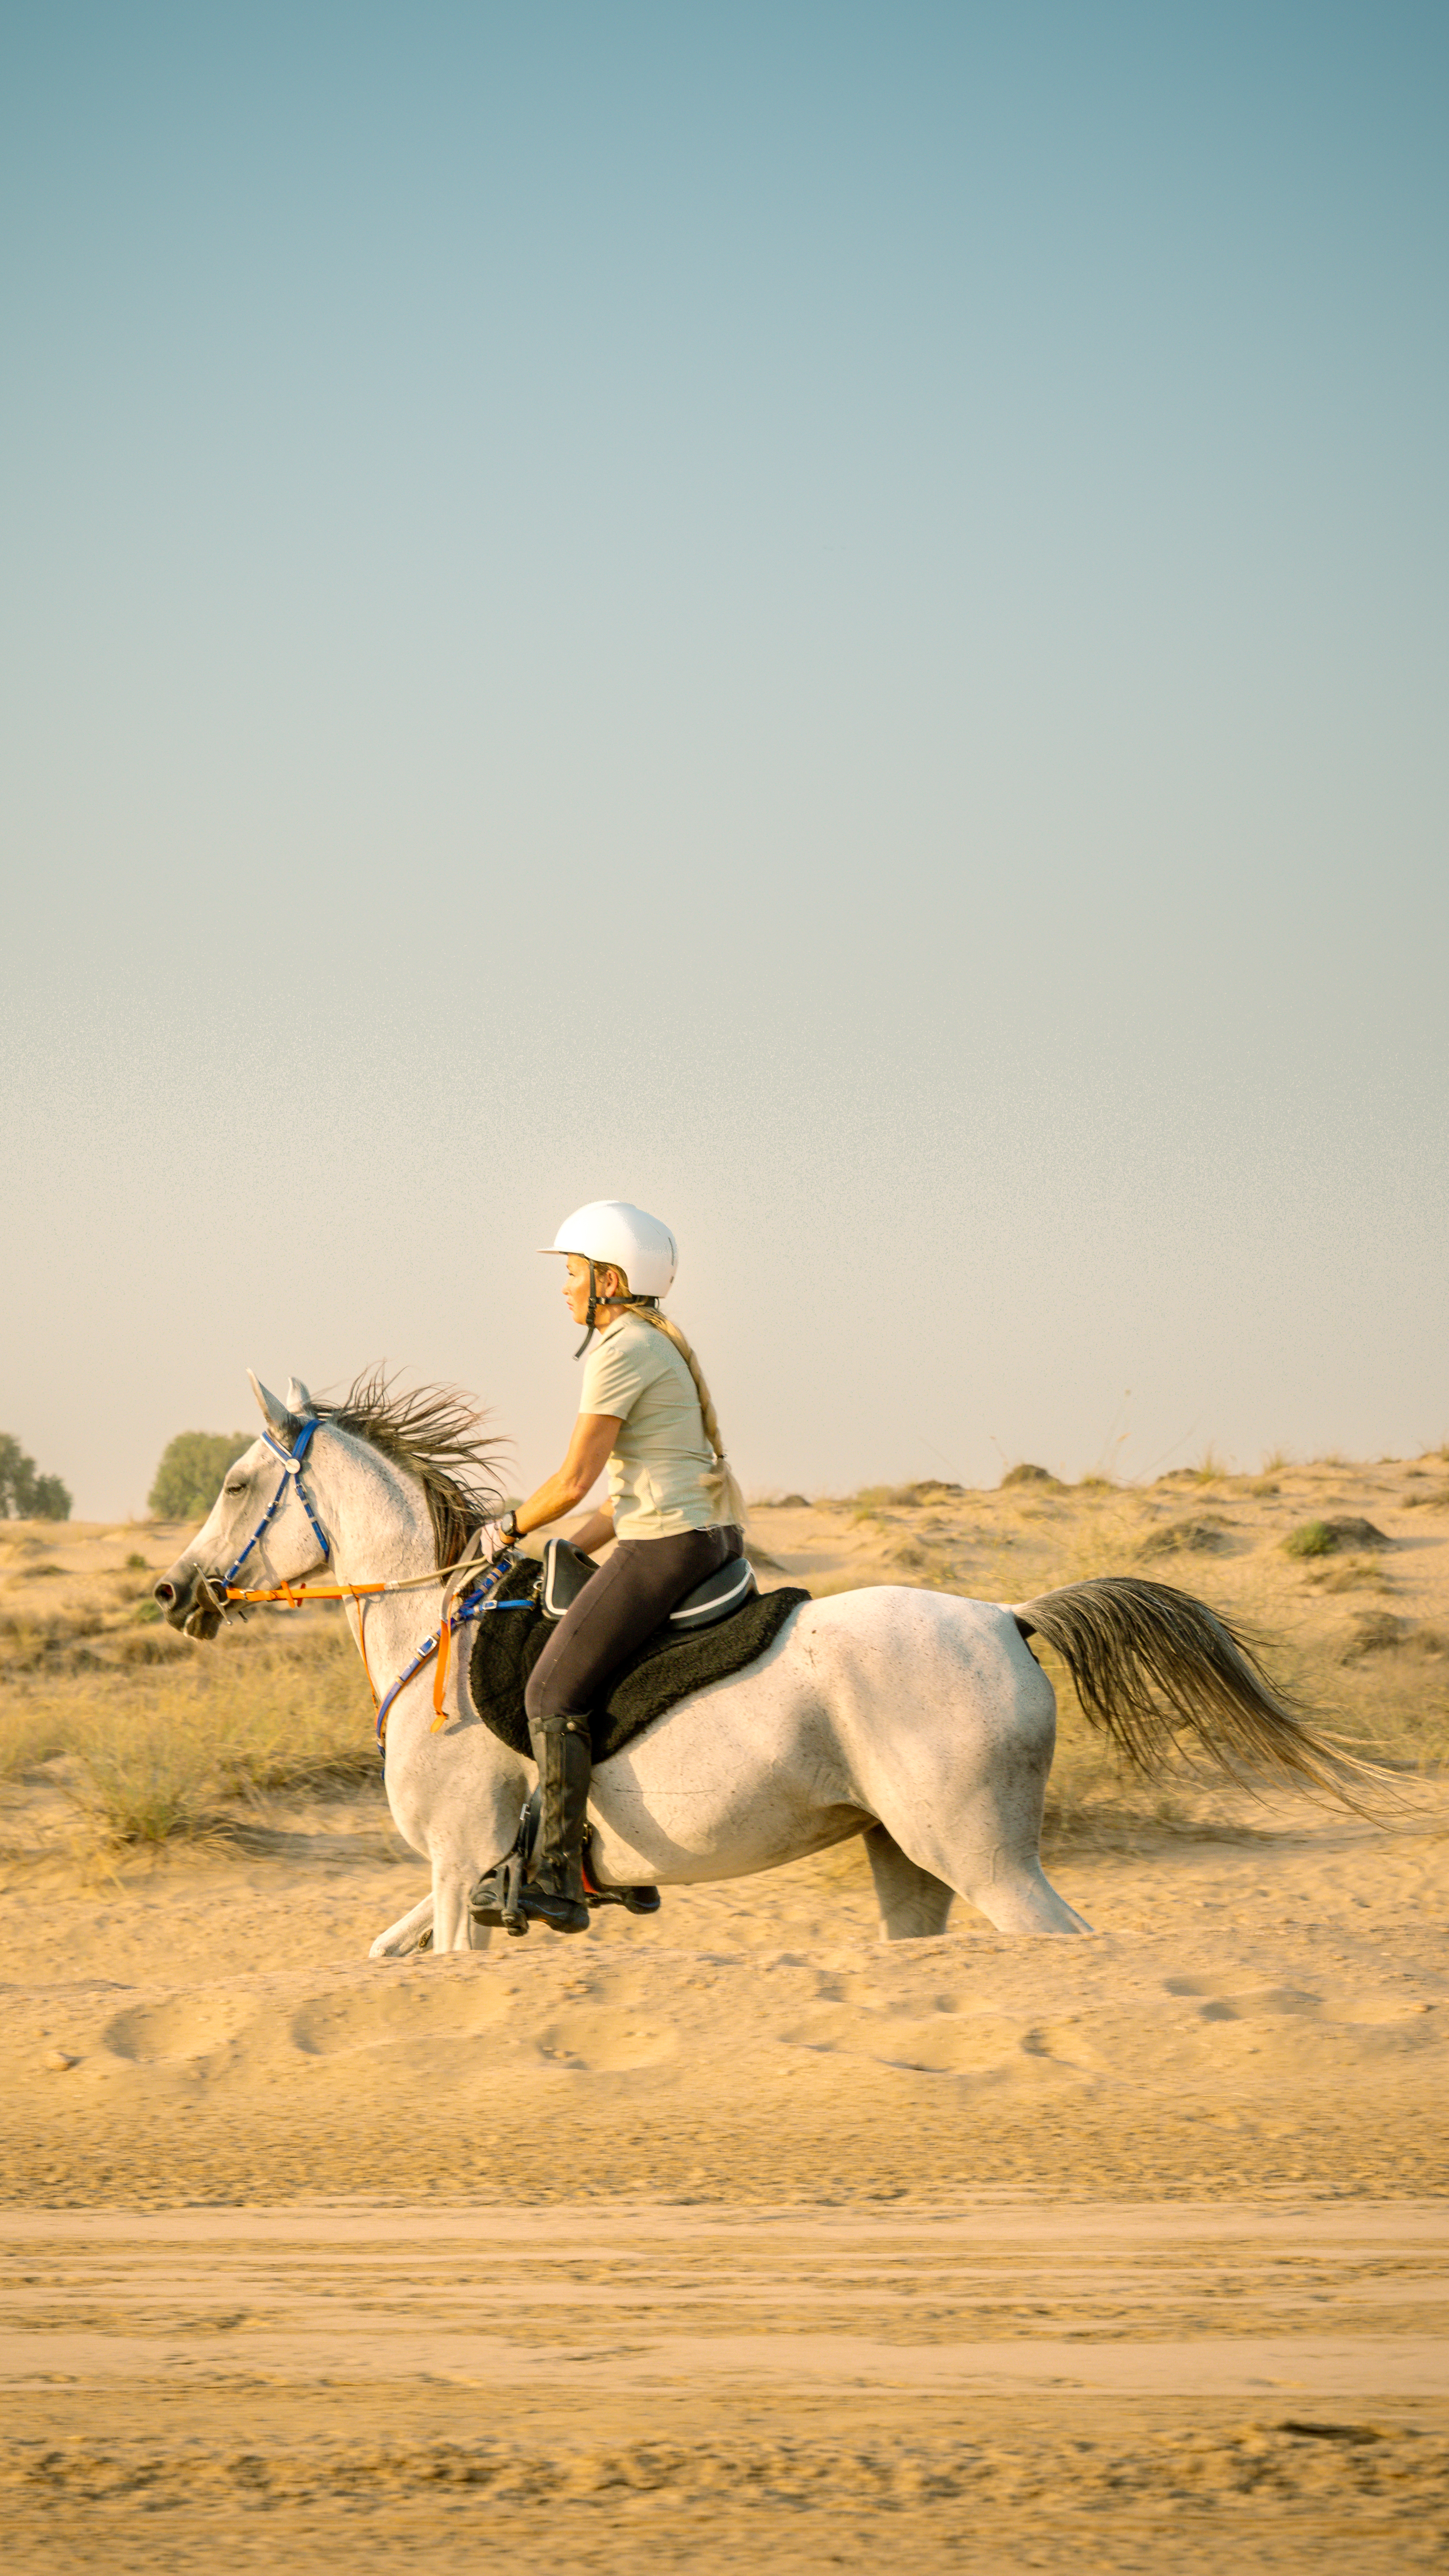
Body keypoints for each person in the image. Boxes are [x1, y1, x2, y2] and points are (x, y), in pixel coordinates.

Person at [477, 1202, 747, 1933]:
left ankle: (563, 1876)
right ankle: (626, 1862)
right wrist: (568, 1547)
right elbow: (628, 1495)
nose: (562, 1287)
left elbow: (572, 1482)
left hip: (667, 1543)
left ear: (608, 1279)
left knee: (549, 1690)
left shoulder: (620, 1349)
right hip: (699, 1533)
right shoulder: (653, 1341)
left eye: (570, 1273)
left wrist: (503, 1530)